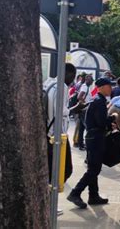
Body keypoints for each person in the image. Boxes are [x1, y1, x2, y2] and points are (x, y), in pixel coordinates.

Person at [67, 78, 117, 209]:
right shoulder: (99, 102)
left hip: (92, 137)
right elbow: (101, 122)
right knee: (94, 169)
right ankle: (75, 193)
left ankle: (93, 196)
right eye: (108, 86)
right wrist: (113, 118)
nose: (111, 89)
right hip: (96, 139)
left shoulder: (96, 100)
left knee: (92, 168)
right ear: (101, 87)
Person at [45, 63, 76, 215]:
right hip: (57, 136)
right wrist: (75, 109)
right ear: (69, 74)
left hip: (47, 134)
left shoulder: (49, 83)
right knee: (65, 170)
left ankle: (48, 202)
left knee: (51, 171)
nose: (73, 80)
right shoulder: (62, 87)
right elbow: (60, 112)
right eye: (73, 76)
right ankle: (50, 204)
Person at [76, 74, 94, 151]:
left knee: (81, 128)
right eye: (91, 80)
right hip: (84, 110)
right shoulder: (85, 87)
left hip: (83, 110)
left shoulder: (86, 87)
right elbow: (79, 97)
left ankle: (81, 144)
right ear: (87, 80)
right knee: (87, 127)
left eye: (92, 80)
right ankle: (86, 144)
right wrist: (85, 103)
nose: (92, 81)